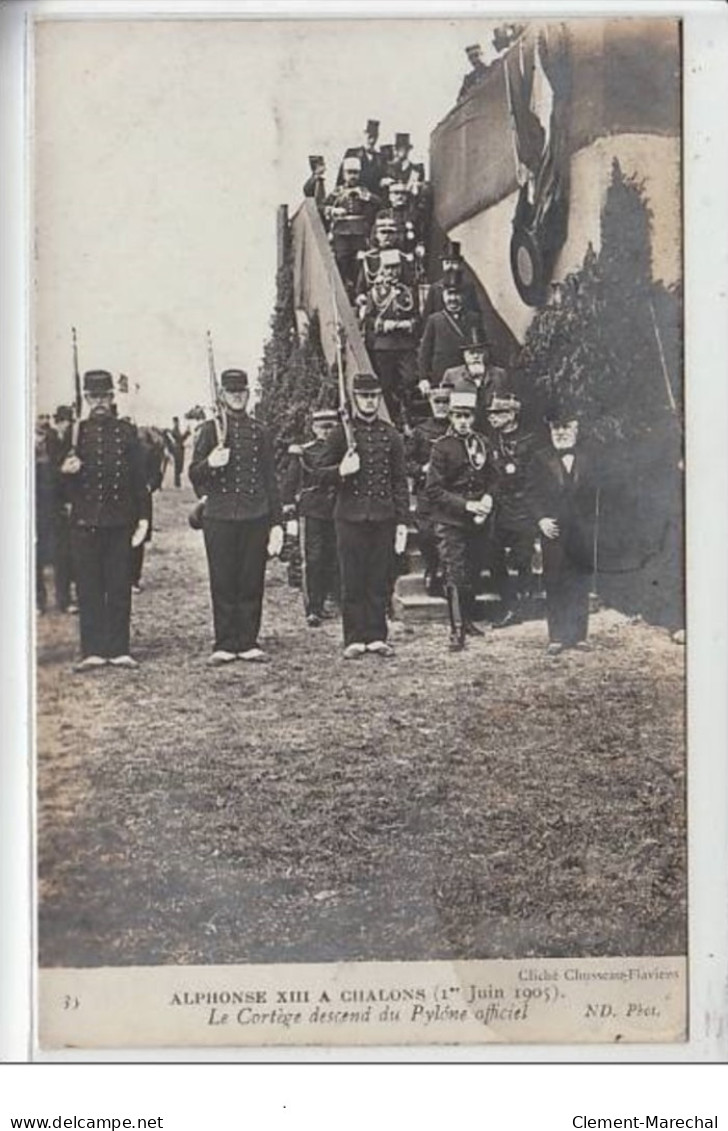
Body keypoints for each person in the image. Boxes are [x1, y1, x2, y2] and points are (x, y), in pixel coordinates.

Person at [189, 368, 283, 665]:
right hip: (218, 515)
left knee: (251, 578)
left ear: (248, 393)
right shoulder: (208, 430)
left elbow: (271, 479)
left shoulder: (260, 431)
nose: (237, 396)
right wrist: (211, 464)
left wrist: (276, 522)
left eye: (242, 391)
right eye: (232, 392)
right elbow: (193, 473)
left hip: (255, 514)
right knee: (223, 579)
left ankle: (248, 641)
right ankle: (225, 642)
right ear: (222, 395)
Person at [58, 370, 150, 671]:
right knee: (89, 586)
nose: (99, 402)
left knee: (119, 585)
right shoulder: (74, 434)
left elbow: (140, 481)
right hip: (85, 523)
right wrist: (65, 472)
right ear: (86, 398)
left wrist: (144, 519)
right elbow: (52, 488)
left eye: (104, 397)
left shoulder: (126, 433)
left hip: (119, 521)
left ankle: (119, 648)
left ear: (112, 398)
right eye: (93, 397)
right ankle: (93, 650)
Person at [315, 372, 409, 659]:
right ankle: (354, 637)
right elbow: (318, 473)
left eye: (373, 396)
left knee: (378, 578)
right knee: (352, 578)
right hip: (349, 517)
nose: (369, 402)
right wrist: (340, 471)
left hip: (382, 517)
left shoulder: (391, 435)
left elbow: (398, 481)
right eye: (364, 396)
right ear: (355, 399)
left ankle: (377, 635)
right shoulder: (340, 434)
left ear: (378, 398)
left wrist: (402, 520)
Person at [426, 380, 497, 651]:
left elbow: (494, 477)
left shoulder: (483, 442)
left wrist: (488, 497)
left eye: (467, 416)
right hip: (451, 519)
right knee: (454, 571)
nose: (463, 422)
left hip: (479, 519)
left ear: (473, 417)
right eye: (458, 416)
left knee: (474, 567)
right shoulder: (441, 447)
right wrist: (467, 505)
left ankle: (467, 620)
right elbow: (434, 490)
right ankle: (456, 631)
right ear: (451, 417)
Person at [526, 408, 598, 655]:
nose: (561, 433)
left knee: (580, 581)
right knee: (554, 580)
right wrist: (541, 520)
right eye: (556, 428)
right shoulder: (539, 458)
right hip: (553, 531)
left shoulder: (589, 458)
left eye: (566, 428)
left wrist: (594, 525)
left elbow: (599, 495)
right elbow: (530, 494)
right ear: (550, 431)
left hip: (582, 532)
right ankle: (556, 636)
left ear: (576, 429)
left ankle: (579, 636)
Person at [485, 393, 543, 628]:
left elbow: (534, 477)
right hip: (499, 507)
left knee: (522, 557)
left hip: (522, 507)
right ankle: (507, 603)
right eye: (490, 414)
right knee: (492, 555)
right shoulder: (491, 440)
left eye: (497, 413)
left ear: (511, 415)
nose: (492, 418)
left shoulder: (530, 441)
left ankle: (522, 605)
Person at [283, 409, 340, 627]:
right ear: (314, 428)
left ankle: (333, 600)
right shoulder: (304, 452)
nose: (327, 432)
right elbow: (291, 479)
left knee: (335, 556)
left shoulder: (343, 450)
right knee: (314, 558)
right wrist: (288, 504)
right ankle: (313, 608)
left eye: (331, 427)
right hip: (313, 509)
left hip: (337, 509)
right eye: (322, 427)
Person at [360, 248, 419, 429]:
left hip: (405, 345)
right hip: (384, 346)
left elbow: (417, 316)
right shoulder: (375, 293)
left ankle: (407, 416)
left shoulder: (408, 291)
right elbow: (368, 319)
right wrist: (385, 325)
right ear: (382, 269)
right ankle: (392, 418)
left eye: (395, 268)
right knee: (385, 384)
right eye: (388, 268)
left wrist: (409, 324)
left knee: (409, 380)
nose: (392, 272)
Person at [406, 385, 451, 595]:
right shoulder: (420, 431)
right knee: (425, 533)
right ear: (431, 404)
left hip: (452, 492)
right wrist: (421, 469)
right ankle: (432, 568)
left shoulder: (458, 428)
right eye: (438, 402)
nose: (442, 407)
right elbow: (405, 461)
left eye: (446, 402)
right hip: (426, 491)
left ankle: (449, 573)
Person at [324, 156, 381, 300]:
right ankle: (343, 294)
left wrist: (366, 197)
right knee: (342, 261)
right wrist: (333, 211)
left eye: (355, 173)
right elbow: (323, 207)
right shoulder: (337, 192)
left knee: (359, 263)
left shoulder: (363, 191)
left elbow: (378, 203)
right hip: (341, 234)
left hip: (359, 233)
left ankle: (359, 294)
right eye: (349, 173)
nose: (352, 176)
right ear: (344, 174)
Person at [418, 283, 484, 392]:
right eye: (449, 294)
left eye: (457, 294)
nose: (453, 299)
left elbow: (482, 347)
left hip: (467, 377)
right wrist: (423, 378)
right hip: (441, 377)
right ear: (443, 296)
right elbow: (425, 351)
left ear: (463, 296)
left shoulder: (474, 318)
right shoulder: (434, 320)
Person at [47, 404, 77, 612]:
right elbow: (50, 474)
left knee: (69, 553)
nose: (69, 426)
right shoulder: (49, 441)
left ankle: (67, 597)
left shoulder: (66, 440)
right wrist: (62, 470)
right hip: (54, 506)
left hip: (67, 505)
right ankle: (62, 599)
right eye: (67, 422)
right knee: (61, 554)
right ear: (59, 421)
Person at [421, 240, 480, 321]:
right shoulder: (435, 289)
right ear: (442, 265)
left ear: (460, 265)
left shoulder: (468, 287)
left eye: (454, 262)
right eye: (447, 263)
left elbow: (476, 317)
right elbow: (427, 318)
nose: (450, 266)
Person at [339, 119, 385, 194]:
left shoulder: (380, 158)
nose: (372, 141)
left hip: (374, 200)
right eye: (370, 137)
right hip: (355, 197)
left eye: (375, 137)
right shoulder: (352, 153)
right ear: (364, 134)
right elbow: (341, 178)